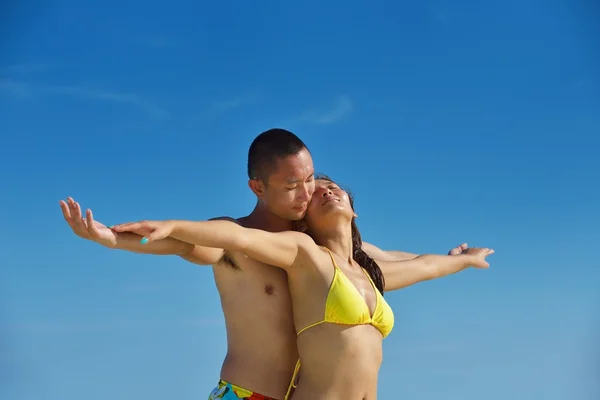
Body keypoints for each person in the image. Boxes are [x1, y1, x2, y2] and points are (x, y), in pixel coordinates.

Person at [60, 128, 468, 400]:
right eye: (292, 186)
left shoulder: (317, 249)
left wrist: (456, 261)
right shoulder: (230, 238)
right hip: (246, 394)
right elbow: (183, 244)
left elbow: (389, 261)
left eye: (309, 179)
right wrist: (109, 238)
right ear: (258, 186)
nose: (306, 192)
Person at [109, 175, 494, 400]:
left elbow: (422, 265)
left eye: (334, 187)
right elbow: (235, 237)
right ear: (303, 220)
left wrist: (464, 259)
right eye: (317, 192)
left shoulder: (369, 271)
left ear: (353, 207)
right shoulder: (306, 255)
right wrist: (173, 225)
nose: (326, 191)